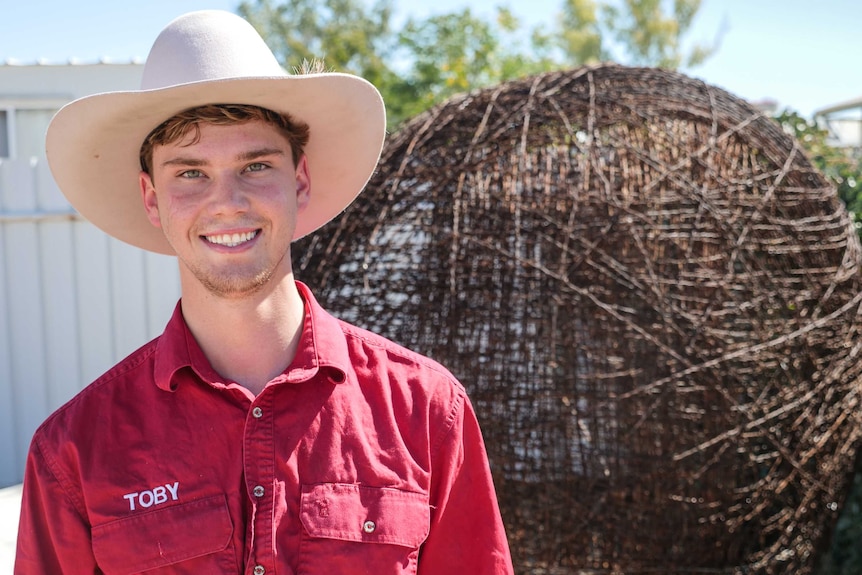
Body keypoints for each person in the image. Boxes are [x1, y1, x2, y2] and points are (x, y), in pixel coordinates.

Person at [14, 10, 513, 575]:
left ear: (299, 179)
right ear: (151, 198)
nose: (227, 201)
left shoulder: (425, 411)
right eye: (190, 173)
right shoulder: (74, 450)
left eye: (255, 165)